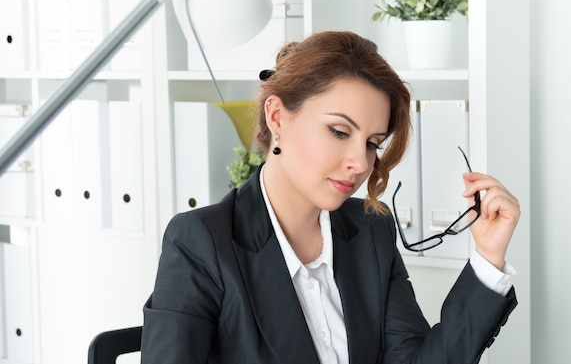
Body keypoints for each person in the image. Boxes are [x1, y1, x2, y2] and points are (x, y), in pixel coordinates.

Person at [140, 31, 520, 364]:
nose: (359, 162)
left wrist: (487, 258)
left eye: (373, 143)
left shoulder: (372, 230)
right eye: (339, 131)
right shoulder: (201, 242)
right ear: (277, 117)